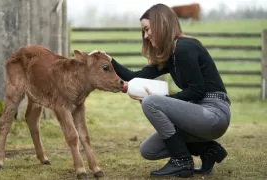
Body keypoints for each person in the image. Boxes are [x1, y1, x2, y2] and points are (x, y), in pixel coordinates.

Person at [91, 3, 231, 178]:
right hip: (198, 113)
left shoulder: (185, 48)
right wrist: (109, 59)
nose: (146, 35)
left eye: (147, 29)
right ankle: (208, 150)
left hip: (214, 113)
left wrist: (164, 99)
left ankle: (182, 161)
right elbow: (136, 77)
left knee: (151, 101)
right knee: (148, 150)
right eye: (143, 31)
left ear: (161, 24)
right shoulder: (170, 55)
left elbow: (197, 91)